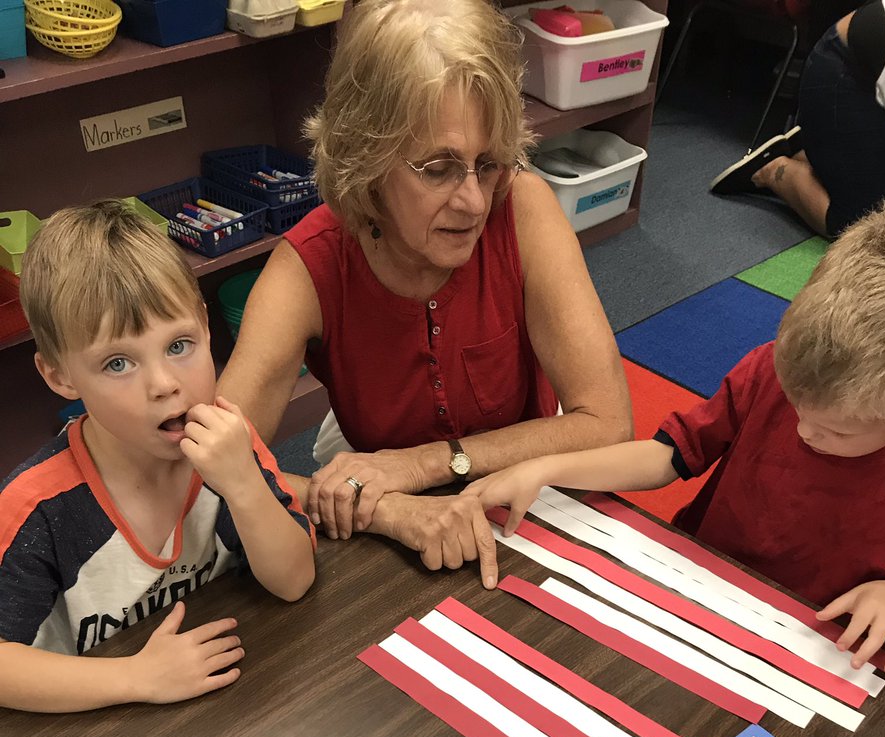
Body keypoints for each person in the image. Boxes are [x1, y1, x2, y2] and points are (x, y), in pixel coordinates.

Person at [218, 0, 632, 590]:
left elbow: (609, 423)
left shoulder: (523, 209)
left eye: (487, 163)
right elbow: (213, 471)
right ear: (368, 157)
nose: (473, 202)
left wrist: (420, 464)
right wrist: (389, 510)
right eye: (437, 169)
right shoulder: (308, 267)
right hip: (394, 532)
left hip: (518, 494)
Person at [466, 201, 885, 675]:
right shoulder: (771, 370)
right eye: (796, 406)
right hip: (696, 584)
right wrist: (545, 468)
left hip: (811, 640)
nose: (802, 431)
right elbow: (663, 457)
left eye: (837, 430)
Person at [0, 201, 316, 714]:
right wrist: (134, 676)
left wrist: (242, 483)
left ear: (208, 330)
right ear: (60, 376)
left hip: (224, 708)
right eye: (118, 362)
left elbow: (294, 581)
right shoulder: (37, 507)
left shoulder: (227, 446)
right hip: (90, 732)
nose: (165, 385)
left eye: (179, 345)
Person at [709, 0, 885, 238]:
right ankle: (777, 169)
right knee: (863, 225)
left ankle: (819, 150)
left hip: (876, 83)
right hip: (840, 75)